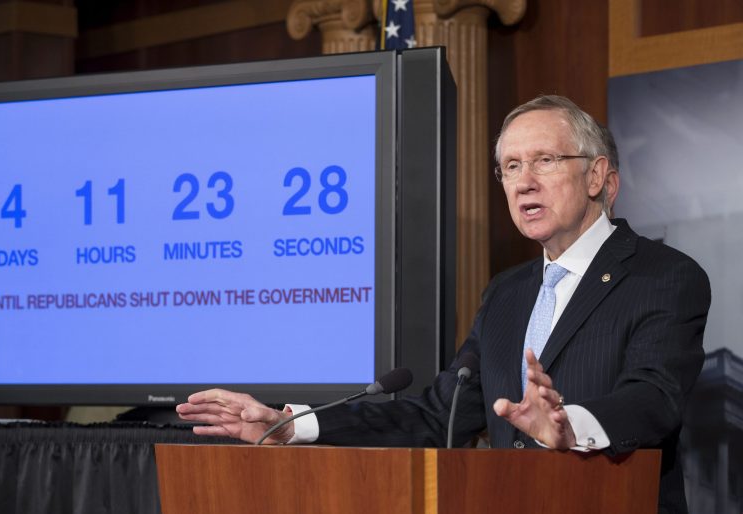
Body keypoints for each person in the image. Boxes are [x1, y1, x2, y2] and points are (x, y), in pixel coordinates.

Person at [177, 95, 710, 514]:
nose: (523, 182)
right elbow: (439, 416)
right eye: (510, 166)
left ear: (596, 176)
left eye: (544, 161)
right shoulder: (506, 293)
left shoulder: (664, 276)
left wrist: (568, 425)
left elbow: (655, 398)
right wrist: (291, 424)